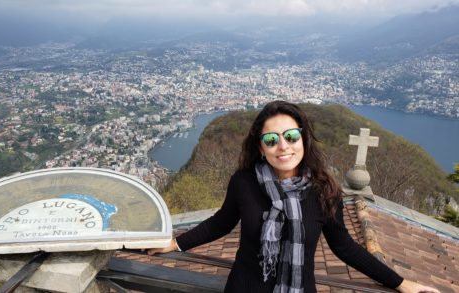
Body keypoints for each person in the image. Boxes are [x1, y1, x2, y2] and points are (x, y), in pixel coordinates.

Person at [148, 100, 440, 293]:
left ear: (303, 138)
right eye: (271, 140)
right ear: (261, 147)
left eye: (291, 136)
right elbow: (220, 223)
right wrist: (175, 242)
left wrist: (401, 283)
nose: (283, 146)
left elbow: (346, 247)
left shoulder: (324, 191)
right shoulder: (244, 182)